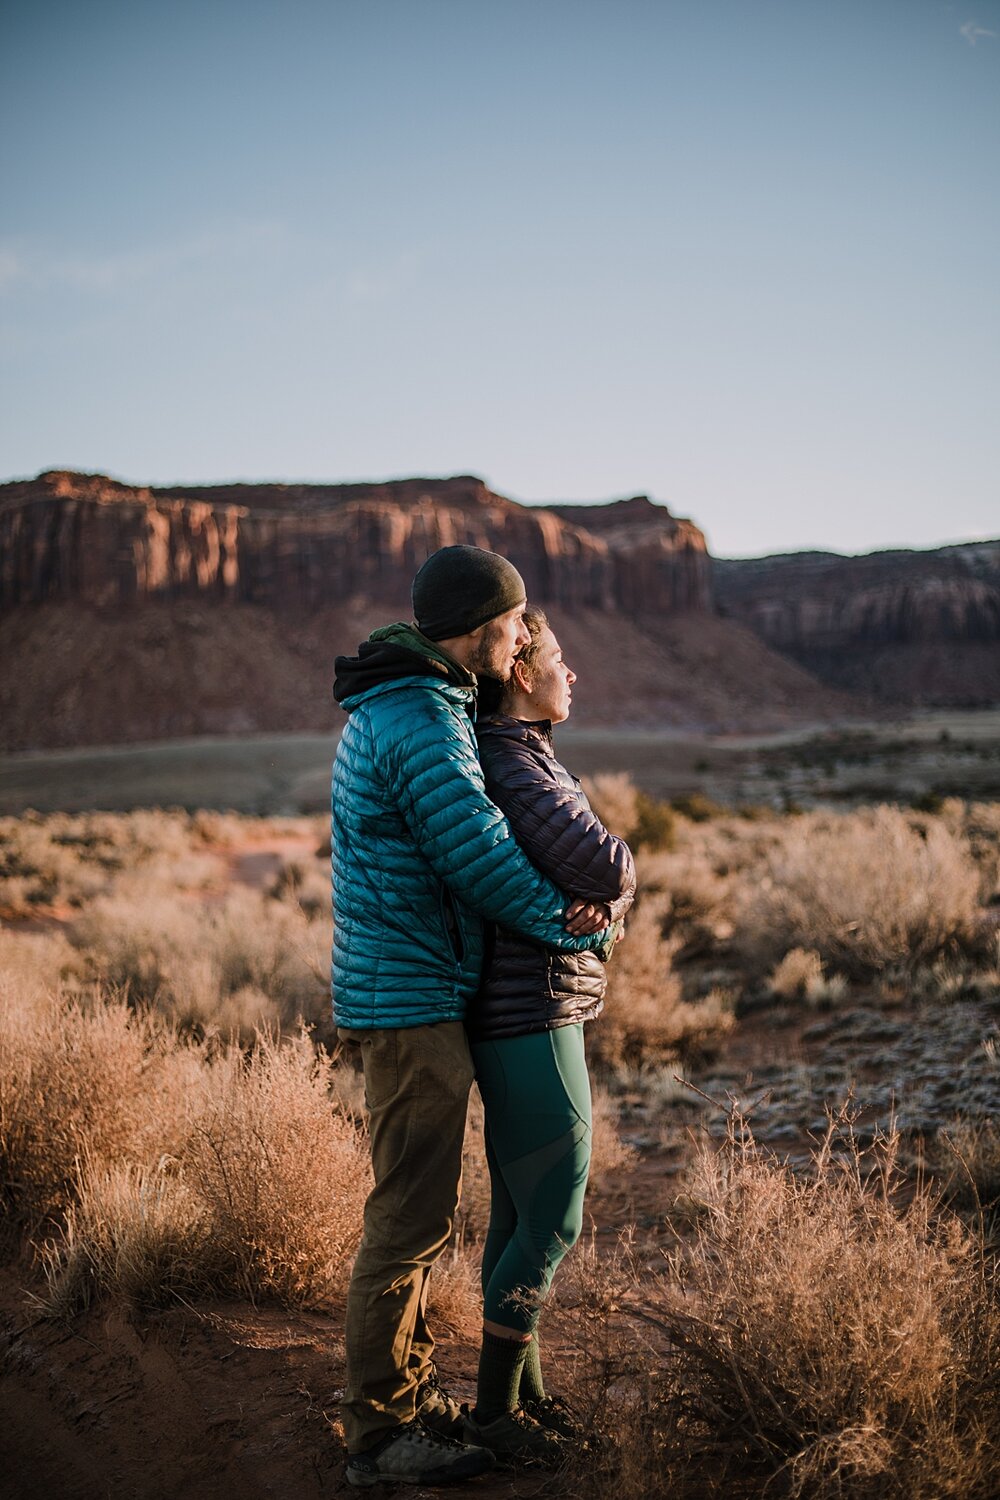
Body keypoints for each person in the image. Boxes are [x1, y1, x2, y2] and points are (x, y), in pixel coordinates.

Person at [331, 546, 617, 1490]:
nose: (523, 635)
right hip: (409, 998)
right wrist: (575, 926)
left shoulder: (426, 700)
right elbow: (482, 859)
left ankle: (408, 1399)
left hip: (420, 988)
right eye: (514, 621)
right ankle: (379, 1435)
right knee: (407, 1219)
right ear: (481, 626)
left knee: (423, 1215)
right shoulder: (419, 715)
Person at [461, 606, 636, 1466]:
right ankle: (493, 1417)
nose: (577, 677)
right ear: (524, 673)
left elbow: (591, 880)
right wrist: (620, 885)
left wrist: (605, 903)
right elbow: (603, 866)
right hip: (532, 1008)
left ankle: (521, 1401)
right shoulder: (514, 762)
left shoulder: (526, 757)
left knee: (522, 1211)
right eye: (563, 661)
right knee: (557, 1210)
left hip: (527, 1005)